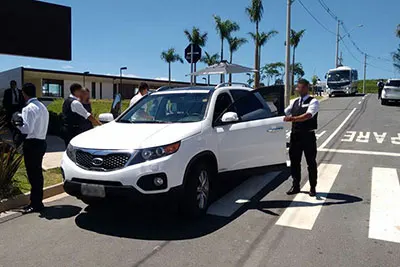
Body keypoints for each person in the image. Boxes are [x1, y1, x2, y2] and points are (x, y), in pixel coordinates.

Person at [16, 83, 49, 213]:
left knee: (33, 175)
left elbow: (26, 129)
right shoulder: (42, 107)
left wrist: (16, 124)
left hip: (32, 144)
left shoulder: (28, 108)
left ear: (24, 93)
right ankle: (37, 201)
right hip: (41, 142)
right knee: (37, 174)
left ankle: (35, 204)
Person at [284, 79, 320, 197]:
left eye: (298, 87)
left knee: (311, 163)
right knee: (294, 162)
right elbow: (285, 112)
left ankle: (312, 187)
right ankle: (296, 185)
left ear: (304, 88)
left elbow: (308, 115)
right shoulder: (294, 102)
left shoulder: (313, 101)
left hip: (308, 136)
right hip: (295, 136)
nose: (296, 89)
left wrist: (293, 119)